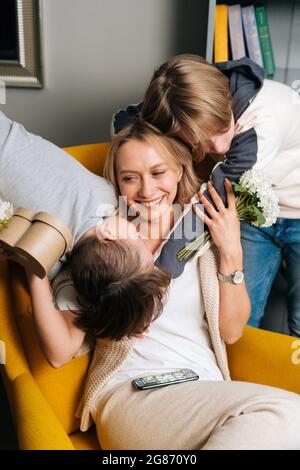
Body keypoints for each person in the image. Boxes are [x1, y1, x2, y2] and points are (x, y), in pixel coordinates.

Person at [54, 120, 300, 450]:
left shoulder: (201, 227)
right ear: (115, 182)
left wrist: (231, 251)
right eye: (130, 178)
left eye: (158, 173)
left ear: (180, 171)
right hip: (131, 392)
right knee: (286, 414)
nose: (146, 190)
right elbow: (63, 342)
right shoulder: (102, 239)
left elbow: (231, 332)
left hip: (206, 392)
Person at [112, 54, 300, 337]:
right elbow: (124, 121)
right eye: (200, 141)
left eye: (222, 129)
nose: (219, 145)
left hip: (295, 210)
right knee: (246, 325)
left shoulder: (262, 123)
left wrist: (158, 280)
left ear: (226, 101)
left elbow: (209, 204)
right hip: (252, 212)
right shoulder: (186, 95)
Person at [0, 110, 171, 365]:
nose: (137, 231)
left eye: (139, 243)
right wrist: (37, 269)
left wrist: (35, 263)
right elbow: (60, 354)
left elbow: (59, 355)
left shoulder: (106, 201)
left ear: (110, 235)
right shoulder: (57, 260)